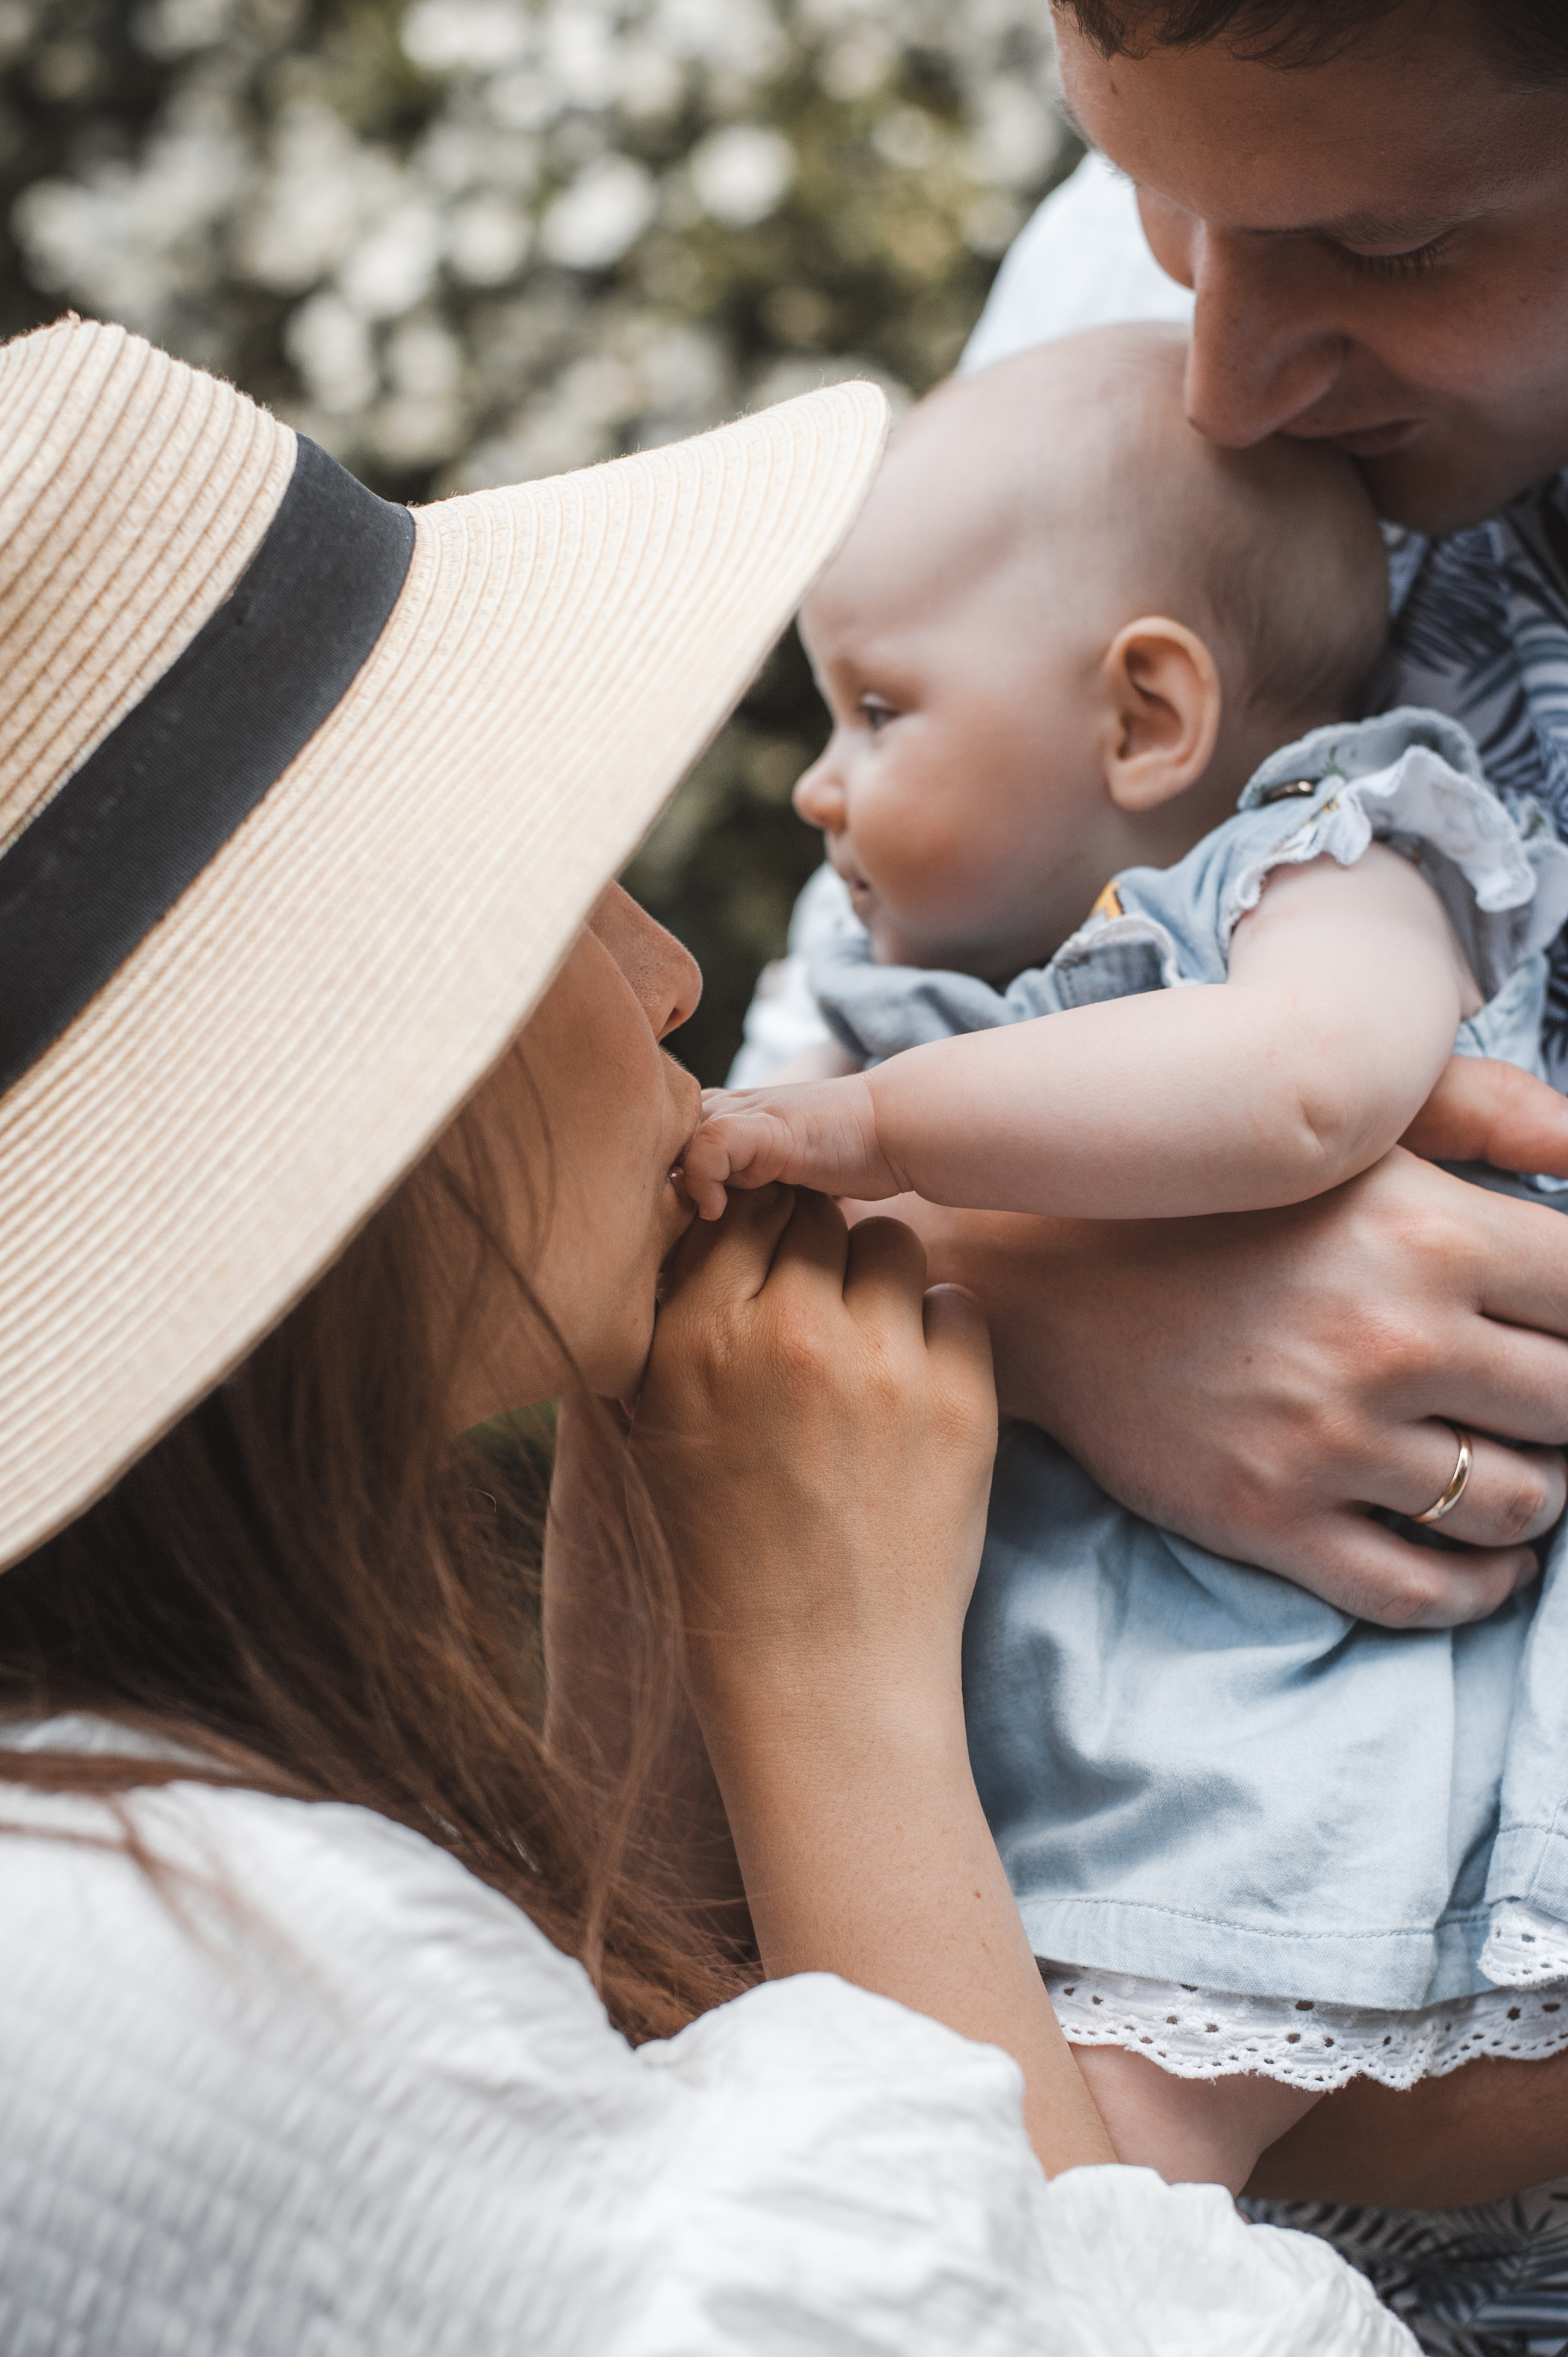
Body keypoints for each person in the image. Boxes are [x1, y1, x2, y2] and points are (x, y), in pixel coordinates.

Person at [0, 314, 1422, 2351]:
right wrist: (821, 1657)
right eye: (554, 891)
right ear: (320, 1068)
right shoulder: (209, 1974)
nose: (669, 972)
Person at [731, 0, 1568, 2330]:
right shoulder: (1142, 321)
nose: (1218, 374)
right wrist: (1022, 1259)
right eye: (1164, 212)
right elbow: (821, 1066)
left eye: (1391, 245)